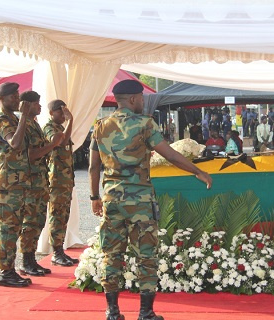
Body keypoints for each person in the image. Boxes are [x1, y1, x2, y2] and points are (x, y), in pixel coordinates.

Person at [88, 79, 212, 320]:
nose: (143, 102)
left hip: (112, 199)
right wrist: (197, 171)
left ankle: (112, 312)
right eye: (141, 98)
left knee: (111, 254)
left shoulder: (100, 126)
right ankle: (145, 312)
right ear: (133, 99)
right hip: (140, 202)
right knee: (146, 255)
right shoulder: (145, 124)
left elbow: (94, 168)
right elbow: (171, 155)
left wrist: (94, 196)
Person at [19, 91, 64, 277]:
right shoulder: (25, 126)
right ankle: (25, 261)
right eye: (36, 103)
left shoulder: (34, 124)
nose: (39, 107)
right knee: (29, 222)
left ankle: (31, 260)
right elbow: (31, 154)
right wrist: (52, 146)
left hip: (40, 180)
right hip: (30, 182)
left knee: (38, 221)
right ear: (27, 105)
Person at [0, 82, 33, 287]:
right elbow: (15, 144)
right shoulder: (2, 120)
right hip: (8, 185)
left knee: (15, 227)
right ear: (2, 99)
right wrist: (25, 116)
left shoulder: (14, 119)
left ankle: (10, 269)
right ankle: (5, 272)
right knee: (8, 229)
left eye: (17, 96)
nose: (17, 100)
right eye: (13, 97)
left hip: (17, 183)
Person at [43, 99, 77, 267]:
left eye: (65, 111)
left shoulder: (61, 128)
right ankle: (56, 252)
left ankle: (60, 250)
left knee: (64, 216)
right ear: (51, 113)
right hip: (56, 181)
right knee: (57, 216)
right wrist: (71, 120)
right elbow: (61, 142)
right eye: (60, 111)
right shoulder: (49, 128)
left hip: (65, 181)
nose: (64, 114)